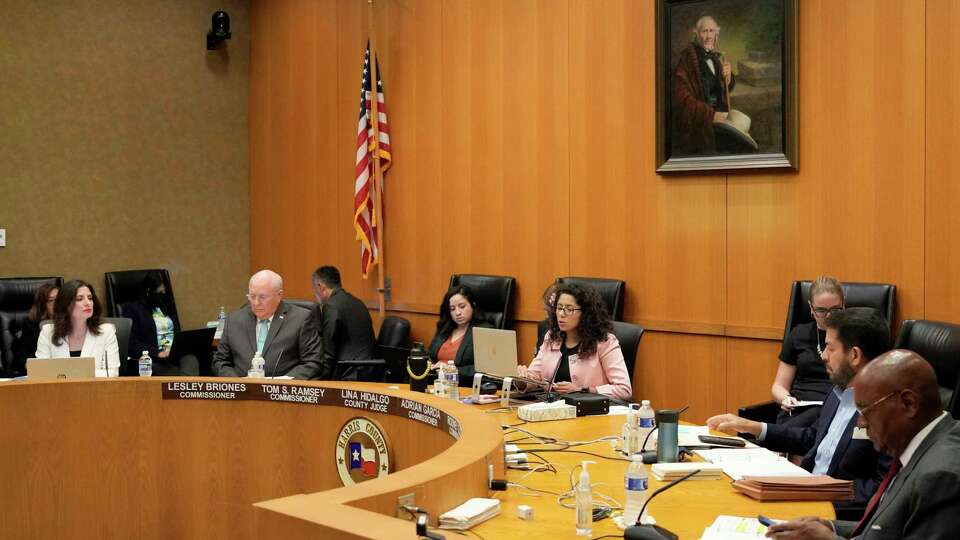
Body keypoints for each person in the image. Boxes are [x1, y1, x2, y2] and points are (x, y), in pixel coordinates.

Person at [707, 309, 891, 514]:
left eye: (830, 348)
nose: (823, 356)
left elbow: (884, 488)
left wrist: (821, 491)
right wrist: (755, 428)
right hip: (803, 493)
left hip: (829, 512)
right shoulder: (839, 391)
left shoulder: (888, 410)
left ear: (854, 355)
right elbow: (813, 438)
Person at [766, 350, 960, 539]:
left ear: (908, 403)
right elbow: (886, 528)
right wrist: (829, 526)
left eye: (866, 410)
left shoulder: (941, 477)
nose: (860, 423)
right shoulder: (919, 447)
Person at [518, 283, 632, 400]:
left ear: (585, 313)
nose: (561, 314)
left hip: (589, 413)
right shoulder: (552, 338)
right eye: (559, 308)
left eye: (569, 309)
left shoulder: (604, 342)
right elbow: (535, 376)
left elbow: (624, 389)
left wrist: (582, 390)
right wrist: (522, 379)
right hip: (553, 410)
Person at [212, 269, 327, 380]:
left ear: (279, 295)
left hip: (282, 393)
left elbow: (313, 362)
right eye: (252, 296)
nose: (256, 302)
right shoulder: (234, 321)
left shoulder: (301, 319)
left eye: (262, 297)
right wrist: (238, 382)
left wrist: (282, 382)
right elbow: (220, 361)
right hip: (242, 393)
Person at [773, 276, 845, 427]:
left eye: (835, 310)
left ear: (844, 305)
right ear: (811, 308)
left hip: (835, 409)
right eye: (821, 310)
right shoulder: (799, 334)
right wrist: (786, 398)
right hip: (799, 408)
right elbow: (779, 386)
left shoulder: (853, 337)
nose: (829, 316)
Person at [672, 14, 735, 155]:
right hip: (701, 126)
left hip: (721, 120)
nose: (708, 36)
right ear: (696, 34)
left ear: (716, 34)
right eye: (704, 31)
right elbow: (681, 98)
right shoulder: (686, 60)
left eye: (712, 31)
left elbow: (720, 88)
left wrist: (728, 78)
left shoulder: (717, 58)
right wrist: (711, 115)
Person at [34, 279, 120, 377]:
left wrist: (70, 374)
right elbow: (40, 374)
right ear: (66, 305)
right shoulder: (48, 332)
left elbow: (112, 373)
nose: (88, 303)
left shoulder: (106, 331)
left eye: (90, 298)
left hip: (94, 390)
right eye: (79, 299)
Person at [120, 272, 198, 376]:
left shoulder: (166, 307)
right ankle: (184, 386)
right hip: (153, 358)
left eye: (164, 291)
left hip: (174, 354)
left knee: (191, 360)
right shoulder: (133, 310)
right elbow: (132, 344)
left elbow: (177, 333)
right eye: (160, 292)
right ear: (149, 291)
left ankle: (184, 385)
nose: (163, 294)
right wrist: (157, 353)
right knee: (175, 375)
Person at [311, 265, 376, 379]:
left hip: (349, 373)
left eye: (314, 289)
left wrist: (314, 380)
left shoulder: (332, 306)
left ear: (320, 286)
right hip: (367, 369)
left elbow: (328, 353)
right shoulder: (356, 302)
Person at [427, 285, 493, 386]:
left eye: (462, 307)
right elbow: (430, 355)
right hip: (435, 383)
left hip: (462, 386)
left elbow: (487, 369)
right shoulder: (445, 329)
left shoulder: (484, 331)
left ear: (473, 305)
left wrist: (451, 369)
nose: (457, 313)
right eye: (452, 309)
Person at [8, 283, 59, 377]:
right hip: (39, 374)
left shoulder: (72, 322)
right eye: (51, 300)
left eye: (60, 299)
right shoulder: (31, 325)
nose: (57, 303)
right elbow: (21, 358)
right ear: (42, 305)